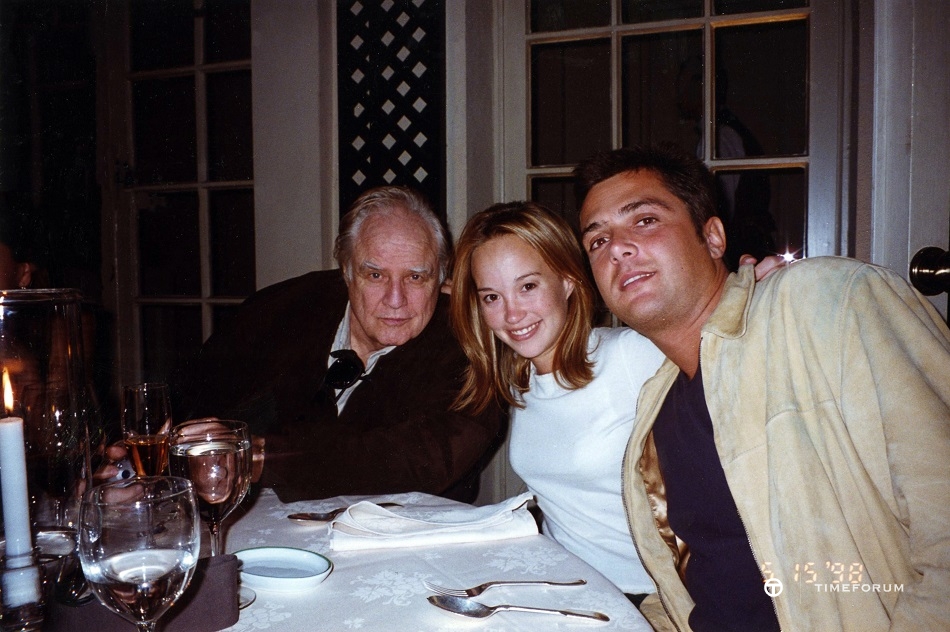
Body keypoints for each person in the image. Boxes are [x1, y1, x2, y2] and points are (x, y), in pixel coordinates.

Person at [574, 143, 950, 631]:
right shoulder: (656, 409)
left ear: (712, 236)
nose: (617, 247)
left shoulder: (828, 301)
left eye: (644, 220)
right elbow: (693, 582)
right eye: (597, 241)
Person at [449, 201, 781, 608]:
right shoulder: (520, 382)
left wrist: (757, 296)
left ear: (568, 281)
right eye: (491, 297)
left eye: (528, 286)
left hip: (651, 598)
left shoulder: (627, 356)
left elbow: (728, 343)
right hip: (567, 587)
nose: (511, 313)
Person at [167, 186, 505, 503]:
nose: (396, 299)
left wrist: (256, 456)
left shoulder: (470, 341)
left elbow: (425, 458)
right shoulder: (284, 308)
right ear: (346, 271)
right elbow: (190, 398)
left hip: (408, 542)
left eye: (416, 277)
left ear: (443, 276)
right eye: (375, 275)